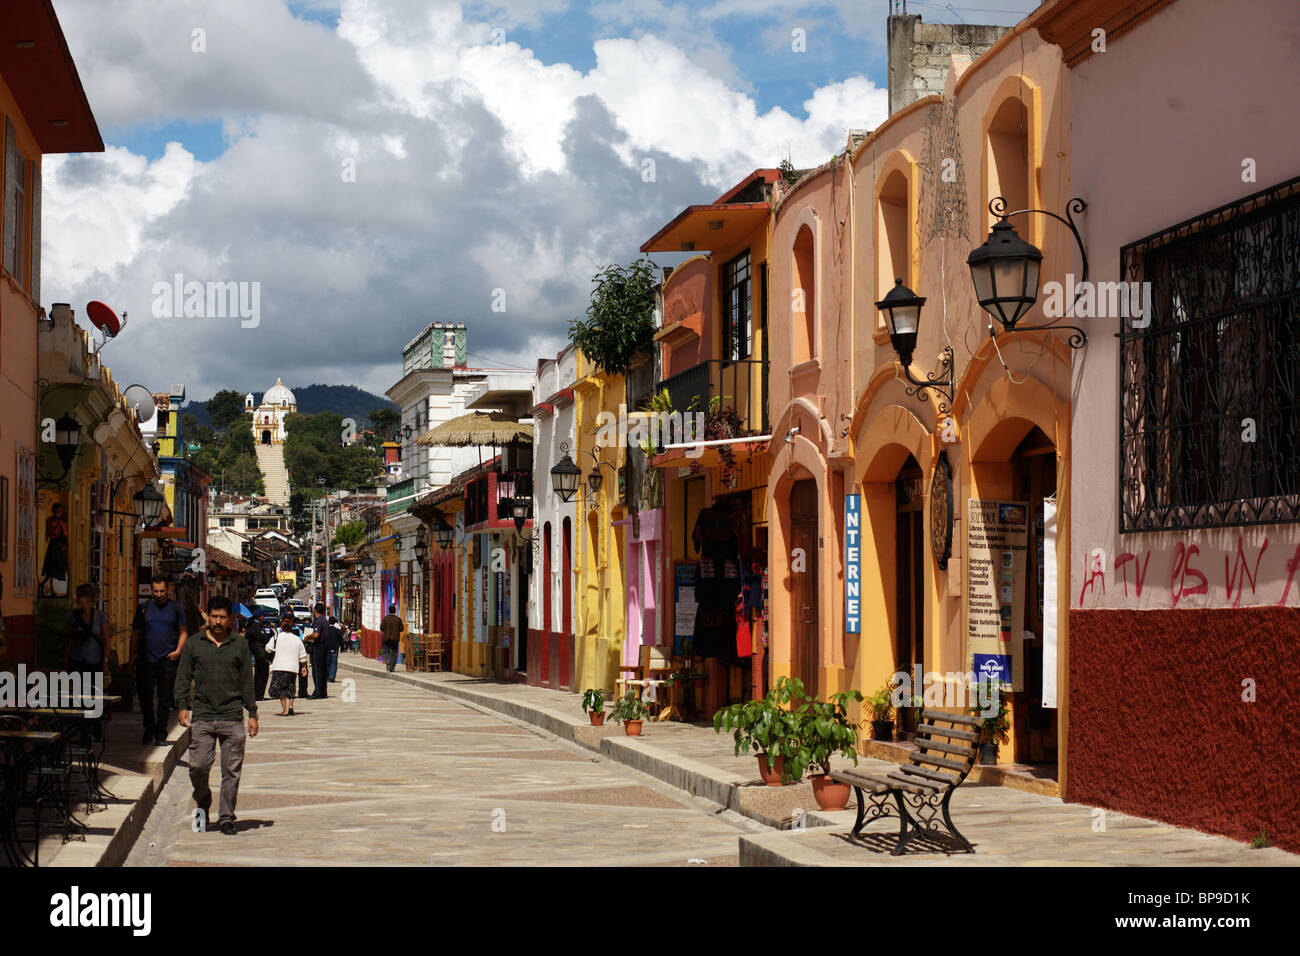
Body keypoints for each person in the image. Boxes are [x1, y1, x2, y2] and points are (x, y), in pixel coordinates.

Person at [174, 595, 257, 836]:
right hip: (202, 716)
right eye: (214, 617)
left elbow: (246, 681)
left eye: (223, 617)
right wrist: (181, 705)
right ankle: (203, 800)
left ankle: (226, 817)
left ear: (230, 619)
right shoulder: (193, 643)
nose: (218, 621)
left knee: (231, 771)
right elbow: (183, 677)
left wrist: (252, 713)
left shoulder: (239, 645)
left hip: (232, 716)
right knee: (198, 767)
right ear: (207, 617)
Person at [130, 579, 189, 746]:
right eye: (155, 591)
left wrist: (178, 651)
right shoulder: (144, 608)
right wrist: (132, 655)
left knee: (165, 698)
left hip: (167, 659)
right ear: (151, 590)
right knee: (144, 697)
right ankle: (149, 727)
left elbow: (183, 631)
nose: (159, 595)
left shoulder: (176, 608)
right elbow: (136, 633)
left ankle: (161, 733)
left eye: (162, 591)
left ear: (167, 590)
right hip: (145, 659)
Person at [265, 611, 308, 716]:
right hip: (292, 668)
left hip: (279, 667)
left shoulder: (276, 638)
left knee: (282, 690)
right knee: (291, 687)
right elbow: (303, 656)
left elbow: (267, 648)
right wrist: (303, 667)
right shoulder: (297, 639)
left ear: (282, 626)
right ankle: (291, 706)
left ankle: (284, 709)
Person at [245, 608, 272, 700]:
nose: (264, 617)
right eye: (262, 615)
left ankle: (258, 694)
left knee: (259, 674)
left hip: (259, 652)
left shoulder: (256, 625)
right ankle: (259, 695)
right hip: (260, 653)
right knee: (262, 674)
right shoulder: (255, 626)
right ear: (259, 616)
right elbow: (262, 638)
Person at [306, 603, 331, 699]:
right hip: (324, 647)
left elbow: (316, 635)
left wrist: (307, 637)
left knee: (317, 671)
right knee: (323, 670)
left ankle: (317, 692)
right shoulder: (325, 620)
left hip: (318, 647)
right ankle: (323, 692)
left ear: (315, 610)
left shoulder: (318, 620)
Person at [380, 605, 403, 672]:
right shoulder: (398, 619)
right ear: (395, 611)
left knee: (386, 651)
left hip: (386, 638)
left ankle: (387, 661)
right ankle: (392, 667)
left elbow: (381, 628)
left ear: (389, 611)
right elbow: (401, 629)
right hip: (395, 639)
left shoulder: (385, 619)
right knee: (394, 653)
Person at [326, 616, 342, 681]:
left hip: (327, 649)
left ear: (328, 622)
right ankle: (332, 676)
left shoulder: (325, 630)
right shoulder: (337, 631)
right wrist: (342, 647)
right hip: (335, 649)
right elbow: (341, 640)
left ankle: (327, 677)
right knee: (334, 663)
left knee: (327, 663)